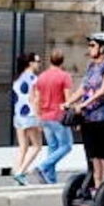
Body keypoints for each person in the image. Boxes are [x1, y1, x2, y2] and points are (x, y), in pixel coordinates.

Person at [66, 33, 104, 191]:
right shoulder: (91, 66)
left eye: (92, 45)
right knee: (93, 154)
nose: (89, 49)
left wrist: (85, 104)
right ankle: (98, 187)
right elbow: (83, 88)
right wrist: (68, 102)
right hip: (88, 117)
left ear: (103, 48)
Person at [34, 50, 74, 184]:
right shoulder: (65, 76)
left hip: (45, 117)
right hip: (58, 116)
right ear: (62, 61)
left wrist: (38, 118)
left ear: (50, 60)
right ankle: (42, 167)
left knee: (52, 147)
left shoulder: (41, 77)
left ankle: (50, 180)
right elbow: (68, 99)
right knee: (67, 146)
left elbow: (37, 100)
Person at [11, 52, 42, 186]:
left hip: (18, 116)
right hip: (30, 116)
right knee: (37, 146)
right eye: (37, 61)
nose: (39, 64)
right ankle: (20, 173)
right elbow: (34, 100)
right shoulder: (33, 79)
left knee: (23, 146)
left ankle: (18, 173)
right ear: (30, 63)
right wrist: (39, 118)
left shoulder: (17, 78)